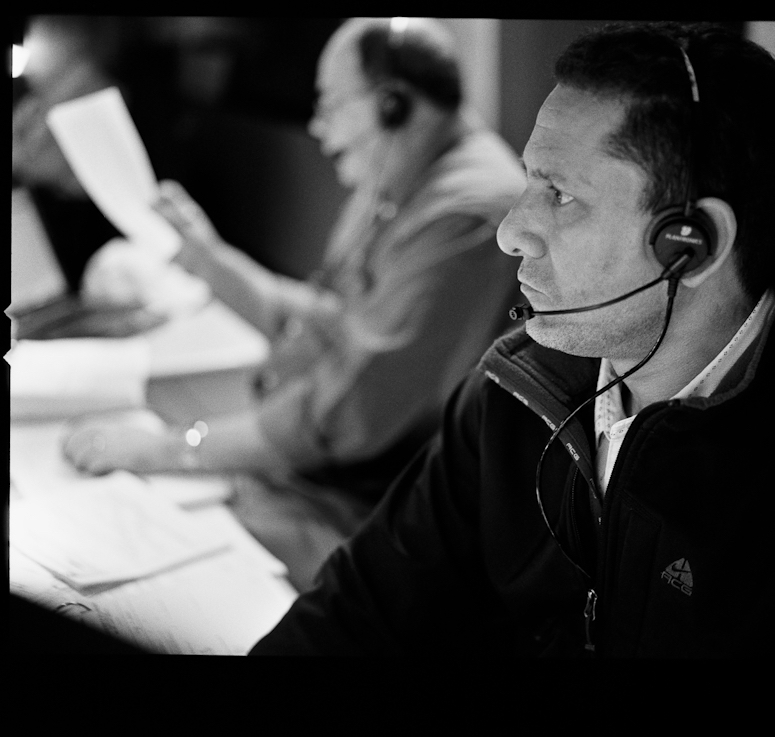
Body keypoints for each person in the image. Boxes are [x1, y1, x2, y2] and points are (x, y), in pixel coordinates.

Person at [249, 21, 775, 657]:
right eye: (530, 181)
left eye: (561, 195)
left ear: (691, 244)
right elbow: (361, 609)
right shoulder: (515, 392)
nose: (511, 229)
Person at [62, 17, 524, 589]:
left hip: (361, 512)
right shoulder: (395, 179)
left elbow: (348, 411)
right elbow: (321, 322)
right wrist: (206, 257)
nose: (318, 127)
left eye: (330, 105)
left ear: (392, 105)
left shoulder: (468, 214)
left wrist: (171, 447)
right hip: (314, 475)